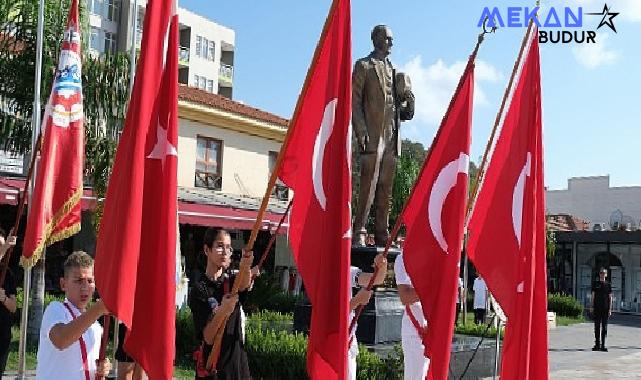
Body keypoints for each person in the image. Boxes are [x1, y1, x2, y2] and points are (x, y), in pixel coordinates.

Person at [352, 24, 415, 246]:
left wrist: (410, 99)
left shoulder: (396, 72)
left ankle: (381, 232)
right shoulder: (363, 66)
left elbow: (405, 113)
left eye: (391, 39)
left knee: (385, 187)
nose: (391, 43)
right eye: (388, 38)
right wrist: (360, 130)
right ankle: (359, 229)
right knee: (368, 184)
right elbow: (355, 102)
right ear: (376, 39)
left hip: (391, 136)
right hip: (372, 134)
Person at [189, 228, 256, 380]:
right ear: (207, 250)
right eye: (220, 246)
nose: (225, 252)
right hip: (214, 371)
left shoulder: (232, 282)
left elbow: (244, 284)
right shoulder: (200, 290)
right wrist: (222, 311)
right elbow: (208, 337)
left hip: (238, 369)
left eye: (228, 247)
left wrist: (246, 265)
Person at [35, 251, 111, 379]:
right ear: (63, 284)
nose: (85, 287)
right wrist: (98, 309)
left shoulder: (96, 327)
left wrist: (102, 370)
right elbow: (61, 340)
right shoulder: (55, 310)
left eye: (90, 281)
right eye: (79, 281)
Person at [347, 254, 387, 380]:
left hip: (348, 341)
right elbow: (332, 315)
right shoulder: (323, 275)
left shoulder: (348, 271)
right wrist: (357, 300)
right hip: (333, 342)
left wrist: (382, 265)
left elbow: (377, 279)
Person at [394, 253, 429, 380]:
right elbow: (405, 297)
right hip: (416, 330)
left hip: (435, 328)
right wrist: (434, 287)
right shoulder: (404, 258)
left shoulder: (438, 254)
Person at [0, 228, 17, 376]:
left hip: (2, 335)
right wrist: (4, 248)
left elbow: (13, 307)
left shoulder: (8, 273)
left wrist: (4, 299)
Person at [591, 267, 612, 352]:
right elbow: (593, 296)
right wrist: (591, 306)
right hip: (597, 308)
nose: (602, 274)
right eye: (601, 273)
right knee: (596, 326)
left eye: (604, 273)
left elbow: (610, 298)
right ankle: (597, 344)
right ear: (599, 274)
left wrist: (610, 309)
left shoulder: (608, 285)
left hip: (605, 309)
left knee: (604, 327)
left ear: (606, 275)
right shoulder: (595, 284)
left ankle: (603, 345)